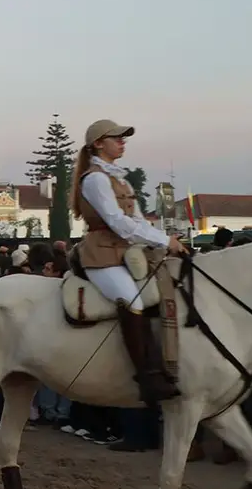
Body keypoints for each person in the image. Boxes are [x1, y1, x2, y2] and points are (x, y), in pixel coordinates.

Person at [70, 119, 185, 404]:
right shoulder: (96, 178)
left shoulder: (119, 178)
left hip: (126, 252)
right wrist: (164, 241)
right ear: (98, 143)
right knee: (131, 300)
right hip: (102, 255)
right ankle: (147, 377)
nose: (123, 142)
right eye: (117, 138)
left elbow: (136, 220)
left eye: (123, 139)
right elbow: (118, 222)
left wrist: (161, 242)